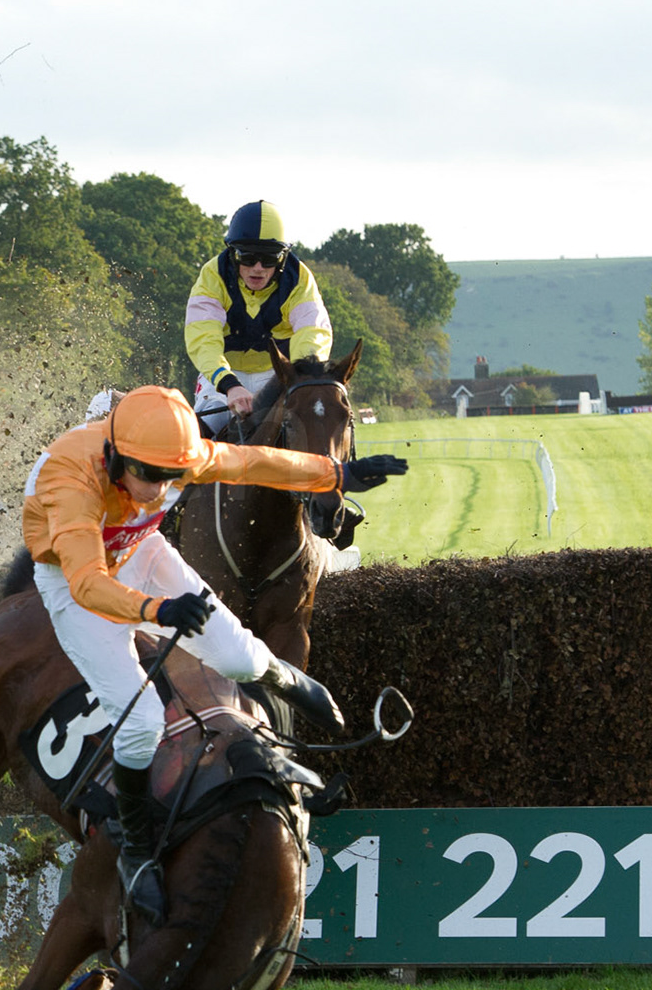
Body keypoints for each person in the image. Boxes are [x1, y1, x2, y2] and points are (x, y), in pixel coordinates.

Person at [22, 385, 408, 923]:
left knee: (238, 658)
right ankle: (136, 850)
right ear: (114, 455)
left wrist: (336, 474)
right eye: (150, 476)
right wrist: (158, 610)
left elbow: (255, 462)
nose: (160, 491)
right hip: (72, 583)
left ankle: (291, 682)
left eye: (172, 476)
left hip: (138, 550)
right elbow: (88, 583)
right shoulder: (70, 479)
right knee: (141, 724)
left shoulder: (177, 455)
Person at [184, 201, 333, 436]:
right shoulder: (212, 276)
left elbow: (312, 332)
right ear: (233, 254)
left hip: (277, 375)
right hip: (223, 374)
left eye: (269, 259)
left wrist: (299, 374)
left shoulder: (299, 279)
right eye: (248, 257)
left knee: (315, 425)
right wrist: (230, 385)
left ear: (282, 258)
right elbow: (203, 338)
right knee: (205, 427)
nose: (258, 268)